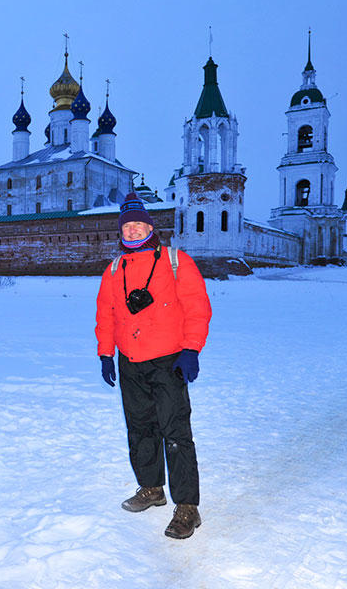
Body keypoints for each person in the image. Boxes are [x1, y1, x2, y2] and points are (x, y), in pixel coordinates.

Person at [95, 192, 212, 540]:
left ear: (150, 227)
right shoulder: (114, 269)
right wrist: (105, 353)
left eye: (138, 224)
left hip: (168, 361)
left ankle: (187, 507)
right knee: (140, 428)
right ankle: (151, 488)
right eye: (126, 226)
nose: (132, 230)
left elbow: (197, 308)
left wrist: (191, 350)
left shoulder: (176, 262)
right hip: (130, 362)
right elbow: (106, 314)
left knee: (176, 433)